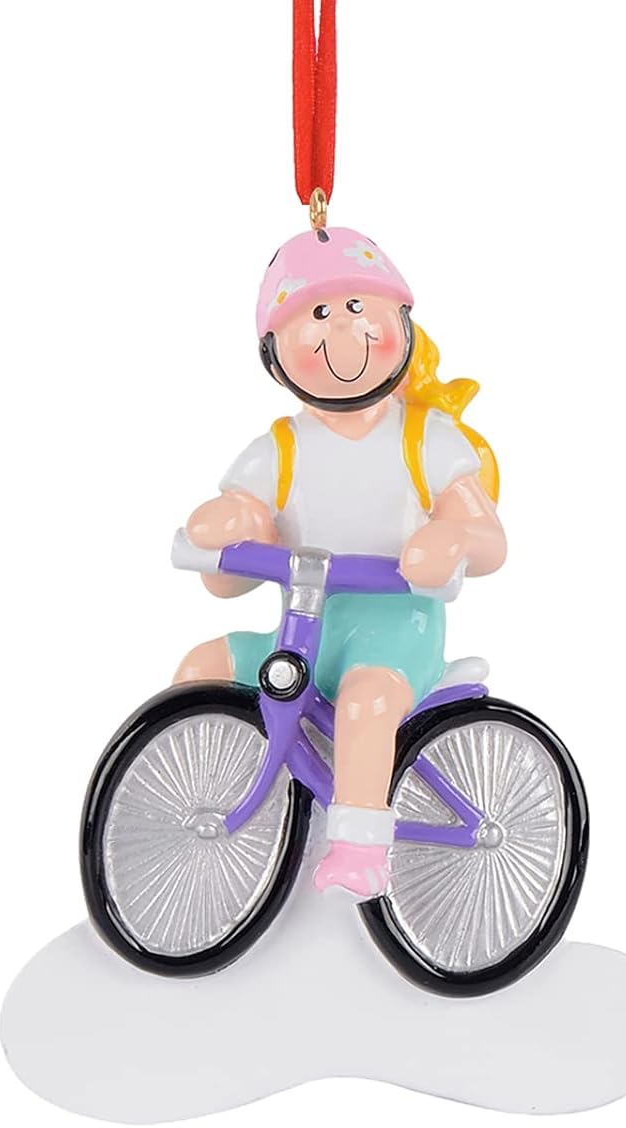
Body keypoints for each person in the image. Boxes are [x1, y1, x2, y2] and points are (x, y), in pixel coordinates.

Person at [174, 227, 507, 895]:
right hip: (304, 631)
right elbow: (225, 580)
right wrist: (235, 527)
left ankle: (360, 850)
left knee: (365, 701)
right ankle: (201, 796)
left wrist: (451, 539)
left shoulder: (424, 439)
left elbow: (488, 538)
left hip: (398, 633)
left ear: (400, 324)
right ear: (275, 352)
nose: (342, 331)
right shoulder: (281, 448)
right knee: (203, 667)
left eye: (357, 308)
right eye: (319, 314)